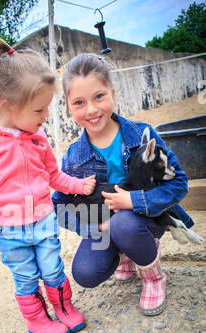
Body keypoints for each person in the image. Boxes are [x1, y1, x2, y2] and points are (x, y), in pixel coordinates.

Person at [0, 38, 96, 333]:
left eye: (46, 107)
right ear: (8, 106)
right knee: (25, 276)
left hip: (42, 219)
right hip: (7, 227)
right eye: (39, 109)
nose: (45, 115)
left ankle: (62, 306)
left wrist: (79, 186)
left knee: (52, 266)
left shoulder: (38, 138)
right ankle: (36, 319)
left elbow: (53, 175)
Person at [52, 52, 194, 316]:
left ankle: (152, 276)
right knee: (85, 272)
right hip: (105, 225)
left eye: (99, 96)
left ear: (112, 91)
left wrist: (134, 201)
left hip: (143, 219)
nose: (91, 110)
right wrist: (92, 224)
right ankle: (127, 253)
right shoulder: (73, 157)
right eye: (79, 102)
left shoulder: (142, 135)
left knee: (125, 224)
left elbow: (180, 183)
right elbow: (60, 207)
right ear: (69, 107)